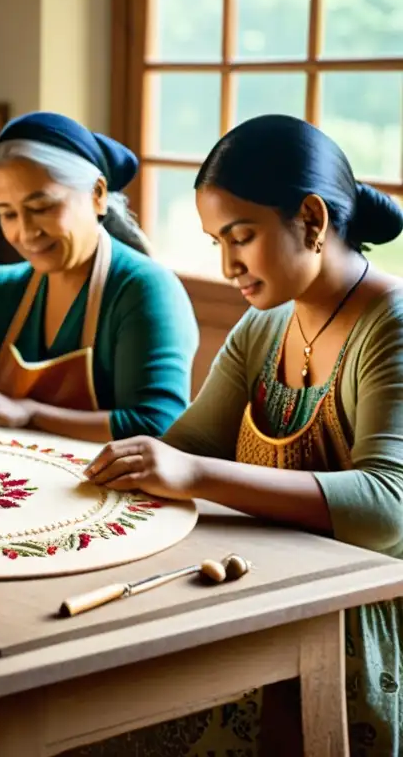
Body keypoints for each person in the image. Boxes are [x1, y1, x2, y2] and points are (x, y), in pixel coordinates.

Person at [80, 114, 403, 755]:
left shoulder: (389, 324)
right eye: (215, 243)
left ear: (310, 220)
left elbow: (385, 507)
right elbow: (186, 445)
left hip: (357, 622)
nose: (228, 264)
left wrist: (194, 476)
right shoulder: (263, 327)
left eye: (241, 237)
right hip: (265, 586)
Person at [0, 111, 199, 443]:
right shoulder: (4, 290)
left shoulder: (145, 290)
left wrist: (29, 413)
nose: (26, 233)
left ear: (97, 194)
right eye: (8, 213)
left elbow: (157, 425)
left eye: (42, 207)